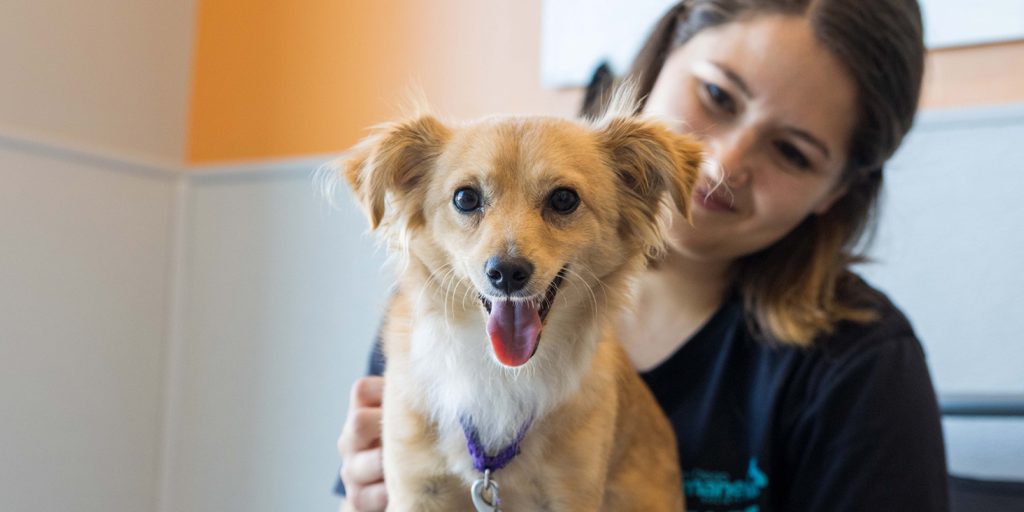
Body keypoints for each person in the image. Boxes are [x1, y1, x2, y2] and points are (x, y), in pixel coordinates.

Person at [336, 0, 950, 510]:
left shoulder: (862, 367)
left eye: (792, 152)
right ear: (663, 57)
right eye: (717, 95)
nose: (724, 164)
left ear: (838, 191)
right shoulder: (446, 302)